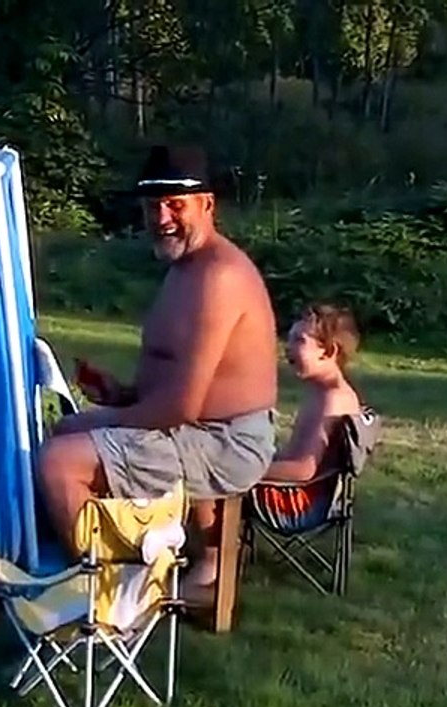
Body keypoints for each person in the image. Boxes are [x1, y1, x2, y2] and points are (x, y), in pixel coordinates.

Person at [38, 145, 279, 601]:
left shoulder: (218, 276)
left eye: (175, 205)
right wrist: (123, 393)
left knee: (58, 460)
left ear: (208, 205)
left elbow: (182, 405)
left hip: (225, 441)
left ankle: (107, 597)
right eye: (153, 207)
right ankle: (148, 561)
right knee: (71, 431)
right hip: (198, 426)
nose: (162, 217)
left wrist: (97, 420)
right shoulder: (185, 267)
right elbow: (181, 381)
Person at [263, 303, 364, 484]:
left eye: (299, 340)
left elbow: (304, 469)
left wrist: (248, 472)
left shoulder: (334, 399)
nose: (288, 347)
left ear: (328, 351)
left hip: (305, 503)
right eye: (289, 339)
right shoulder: (322, 392)